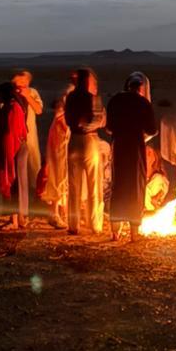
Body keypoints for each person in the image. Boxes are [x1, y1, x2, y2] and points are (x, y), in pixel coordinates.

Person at [106, 73, 158, 242]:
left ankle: (114, 231)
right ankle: (134, 233)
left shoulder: (115, 101)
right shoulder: (143, 103)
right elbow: (152, 130)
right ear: (140, 88)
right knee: (136, 187)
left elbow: (109, 128)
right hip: (136, 148)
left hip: (119, 147)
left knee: (118, 184)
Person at [64, 67, 106, 235]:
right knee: (94, 184)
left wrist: (77, 124)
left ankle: (73, 225)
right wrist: (92, 122)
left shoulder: (70, 98)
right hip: (89, 139)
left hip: (73, 140)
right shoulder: (92, 98)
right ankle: (95, 225)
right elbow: (97, 120)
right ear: (88, 81)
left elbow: (68, 119)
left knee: (73, 186)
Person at [39, 82, 74, 228]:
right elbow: (64, 128)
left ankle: (63, 213)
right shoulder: (61, 116)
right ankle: (55, 213)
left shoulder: (64, 114)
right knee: (59, 177)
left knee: (64, 178)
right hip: (60, 148)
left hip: (64, 147)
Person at [0, 81, 29, 230]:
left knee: (14, 182)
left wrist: (8, 157)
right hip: (17, 147)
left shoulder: (12, 108)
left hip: (14, 148)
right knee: (18, 183)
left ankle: (14, 220)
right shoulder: (12, 106)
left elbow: (10, 133)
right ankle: (19, 218)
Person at [12, 69, 44, 199]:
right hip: (14, 136)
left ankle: (35, 196)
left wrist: (28, 96)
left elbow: (38, 110)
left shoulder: (33, 93)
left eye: (24, 82)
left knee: (33, 164)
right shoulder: (11, 93)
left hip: (29, 135)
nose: (21, 85)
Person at [143, 143, 169, 213]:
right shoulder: (140, 177)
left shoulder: (158, 180)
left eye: (148, 153)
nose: (144, 155)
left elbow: (151, 205)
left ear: (154, 158)